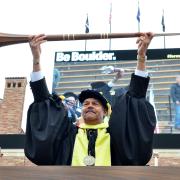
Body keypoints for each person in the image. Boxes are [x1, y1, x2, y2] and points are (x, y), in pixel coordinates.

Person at [25, 32, 156, 166]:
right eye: (86, 103)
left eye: (95, 103)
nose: (89, 105)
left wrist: (141, 57)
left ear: (105, 111)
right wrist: (36, 59)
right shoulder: (67, 136)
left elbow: (135, 99)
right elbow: (43, 103)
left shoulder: (116, 137)